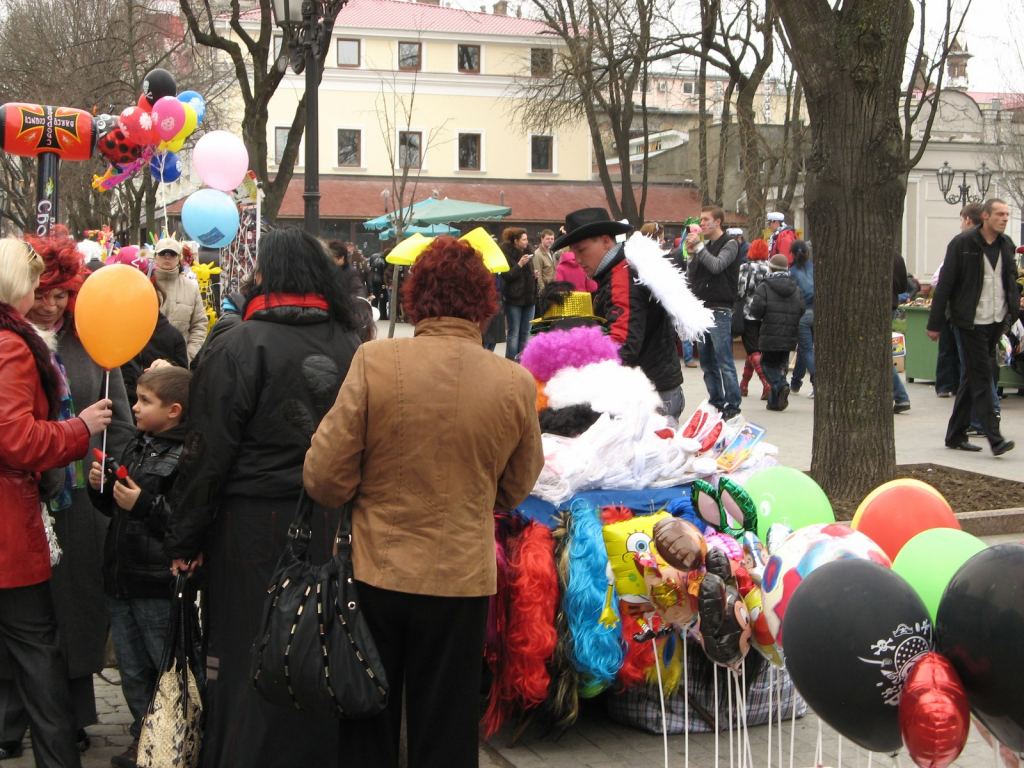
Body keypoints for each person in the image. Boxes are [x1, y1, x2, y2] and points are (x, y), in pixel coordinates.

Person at [303, 235, 544, 768]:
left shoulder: (375, 361)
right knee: (449, 725)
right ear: (485, 303)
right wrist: (474, 493)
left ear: (417, 297)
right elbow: (517, 484)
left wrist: (363, 492)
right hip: (460, 577)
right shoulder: (514, 382)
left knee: (368, 718)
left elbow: (324, 477)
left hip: (376, 573)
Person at [164, 228, 362, 767]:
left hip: (249, 525)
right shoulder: (350, 344)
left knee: (246, 647)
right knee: (317, 640)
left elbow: (205, 454)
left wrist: (185, 537)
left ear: (267, 276)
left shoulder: (237, 343)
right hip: (326, 519)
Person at [0, 227, 135, 760]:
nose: (52, 303)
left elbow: (118, 418)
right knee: (33, 630)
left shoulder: (90, 340)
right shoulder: (16, 345)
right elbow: (16, 435)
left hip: (76, 500)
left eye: (62, 294)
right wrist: (76, 430)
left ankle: (71, 717)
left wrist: (109, 463)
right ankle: (24, 724)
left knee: (68, 615)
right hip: (26, 502)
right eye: (43, 290)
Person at [87, 366, 190, 768]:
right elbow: (114, 509)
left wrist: (142, 504)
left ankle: (170, 739)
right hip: (122, 575)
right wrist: (102, 486)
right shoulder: (137, 445)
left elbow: (182, 520)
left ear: (174, 411)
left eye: (146, 401)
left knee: (160, 666)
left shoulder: (187, 454)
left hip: (155, 582)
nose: (135, 406)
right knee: (131, 669)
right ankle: (142, 736)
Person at [554, 208, 685, 419]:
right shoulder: (621, 269)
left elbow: (621, 344)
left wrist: (577, 369)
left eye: (582, 250)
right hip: (653, 387)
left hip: (648, 395)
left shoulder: (620, 277)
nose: (576, 259)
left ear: (606, 241)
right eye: (573, 252)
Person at [927, 198, 1019, 455]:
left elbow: (1009, 282)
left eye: (1007, 215)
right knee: (981, 374)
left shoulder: (1006, 245)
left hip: (996, 320)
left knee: (972, 375)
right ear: (986, 216)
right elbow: (945, 284)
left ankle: (955, 434)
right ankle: (995, 437)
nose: (1004, 218)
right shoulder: (963, 244)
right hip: (969, 322)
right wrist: (935, 324)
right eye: (999, 214)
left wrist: (1013, 314)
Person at [686, 206, 743, 419]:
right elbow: (694, 275)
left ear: (718, 222)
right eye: (700, 220)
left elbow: (717, 266)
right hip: (703, 308)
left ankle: (733, 405)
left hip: (720, 309)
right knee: (707, 362)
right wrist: (692, 254)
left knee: (724, 360)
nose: (701, 224)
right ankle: (716, 402)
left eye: (705, 220)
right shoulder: (706, 246)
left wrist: (700, 247)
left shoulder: (730, 244)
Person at [934, 204, 981, 397]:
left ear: (968, 219)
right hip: (968, 312)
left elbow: (941, 281)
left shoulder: (960, 244)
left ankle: (949, 386)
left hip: (959, 311)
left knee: (952, 351)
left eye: (962, 219)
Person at [750, 254, 804, 411]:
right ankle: (775, 402)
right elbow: (801, 309)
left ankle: (781, 385)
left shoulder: (765, 287)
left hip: (770, 334)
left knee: (766, 365)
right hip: (790, 334)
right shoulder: (796, 288)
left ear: (771, 267)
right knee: (781, 366)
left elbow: (756, 310)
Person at [151, 237, 207, 364]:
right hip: (146, 366)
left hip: (179, 366)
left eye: (172, 254)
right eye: (162, 253)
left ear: (179, 258)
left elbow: (199, 325)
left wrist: (187, 357)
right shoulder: (145, 285)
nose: (167, 257)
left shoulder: (191, 288)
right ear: (155, 256)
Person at [737, 238, 771, 400]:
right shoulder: (770, 267)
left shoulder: (745, 268)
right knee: (754, 351)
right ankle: (743, 385)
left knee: (752, 349)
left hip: (749, 313)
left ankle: (766, 382)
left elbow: (741, 291)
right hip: (766, 315)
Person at [500, 227, 536, 360]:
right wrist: (520, 264)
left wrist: (534, 275)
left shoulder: (528, 252)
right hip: (514, 298)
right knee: (514, 333)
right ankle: (510, 362)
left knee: (526, 332)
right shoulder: (506, 253)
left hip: (529, 297)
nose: (527, 242)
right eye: (524, 239)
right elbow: (507, 276)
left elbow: (526, 276)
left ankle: (524, 360)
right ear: (515, 241)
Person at [788, 240, 816, 396]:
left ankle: (816, 381)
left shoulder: (792, 272)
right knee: (805, 349)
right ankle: (796, 381)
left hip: (802, 313)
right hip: (817, 311)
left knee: (806, 349)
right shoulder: (814, 268)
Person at [892, 254, 912, 414]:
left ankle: (900, 395)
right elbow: (903, 287)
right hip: (891, 305)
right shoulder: (896, 257)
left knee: (878, 353)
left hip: (876, 306)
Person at [531, 228, 558, 302]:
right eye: (548, 239)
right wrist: (543, 292)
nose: (550, 241)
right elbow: (538, 275)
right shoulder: (537, 254)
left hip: (554, 289)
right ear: (542, 239)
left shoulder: (552, 252)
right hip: (546, 292)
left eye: (552, 239)